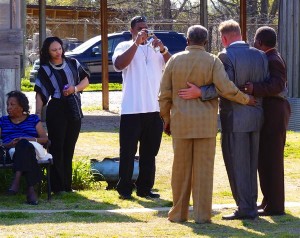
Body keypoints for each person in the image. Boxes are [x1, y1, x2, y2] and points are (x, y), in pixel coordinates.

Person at [159, 25, 256, 223]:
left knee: (180, 170)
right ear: (205, 42)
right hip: (206, 125)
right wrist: (246, 99)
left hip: (181, 123)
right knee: (204, 171)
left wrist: (167, 119)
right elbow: (226, 88)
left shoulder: (174, 61)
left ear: (187, 40)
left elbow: (164, 95)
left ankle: (178, 214)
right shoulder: (212, 60)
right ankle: (202, 215)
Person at [178, 20, 269, 220]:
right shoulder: (261, 55)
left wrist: (200, 92)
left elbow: (223, 87)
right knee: (251, 165)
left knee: (237, 165)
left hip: (235, 118)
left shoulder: (226, 55)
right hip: (256, 116)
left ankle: (245, 208)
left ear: (224, 37)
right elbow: (263, 84)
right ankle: (250, 206)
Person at [112, 16, 171, 200]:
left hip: (153, 109)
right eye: (139, 28)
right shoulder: (124, 46)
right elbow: (119, 64)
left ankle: (145, 188)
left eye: (146, 28)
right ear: (131, 30)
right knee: (128, 151)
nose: (144, 31)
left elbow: (172, 67)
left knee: (149, 152)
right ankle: (124, 189)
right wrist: (136, 43)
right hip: (131, 109)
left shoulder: (156, 50)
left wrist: (162, 49)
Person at [240, 26, 291, 216]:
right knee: (265, 159)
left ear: (260, 42)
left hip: (275, 111)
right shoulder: (270, 57)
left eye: (255, 41)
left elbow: (277, 85)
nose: (253, 44)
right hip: (270, 111)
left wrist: (255, 88)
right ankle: (268, 200)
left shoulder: (272, 59)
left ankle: (276, 206)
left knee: (272, 160)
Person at [34, 36, 89, 194]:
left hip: (74, 108)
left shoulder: (73, 63)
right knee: (57, 147)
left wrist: (75, 89)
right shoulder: (45, 69)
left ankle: (67, 185)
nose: (58, 52)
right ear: (47, 52)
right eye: (54, 50)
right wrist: (37, 114)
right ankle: (57, 187)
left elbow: (86, 80)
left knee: (69, 148)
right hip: (56, 108)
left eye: (59, 48)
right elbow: (40, 92)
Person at [0, 90, 48, 205]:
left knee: (24, 145)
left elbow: (45, 139)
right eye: (7, 104)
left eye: (12, 104)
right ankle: (30, 189)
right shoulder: (3, 121)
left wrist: (26, 139)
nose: (8, 108)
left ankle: (16, 180)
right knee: (23, 149)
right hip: (12, 151)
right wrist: (9, 144)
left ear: (21, 107)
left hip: (35, 148)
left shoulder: (33, 119)